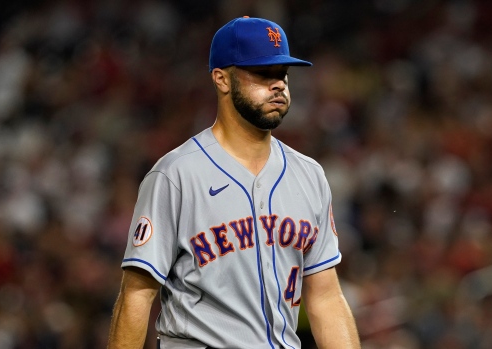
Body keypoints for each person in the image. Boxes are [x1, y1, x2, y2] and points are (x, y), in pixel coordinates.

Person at [107, 16, 361, 349]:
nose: (278, 85)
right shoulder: (176, 175)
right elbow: (137, 293)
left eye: (282, 74)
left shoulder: (309, 174)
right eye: (262, 73)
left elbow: (326, 297)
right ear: (222, 79)